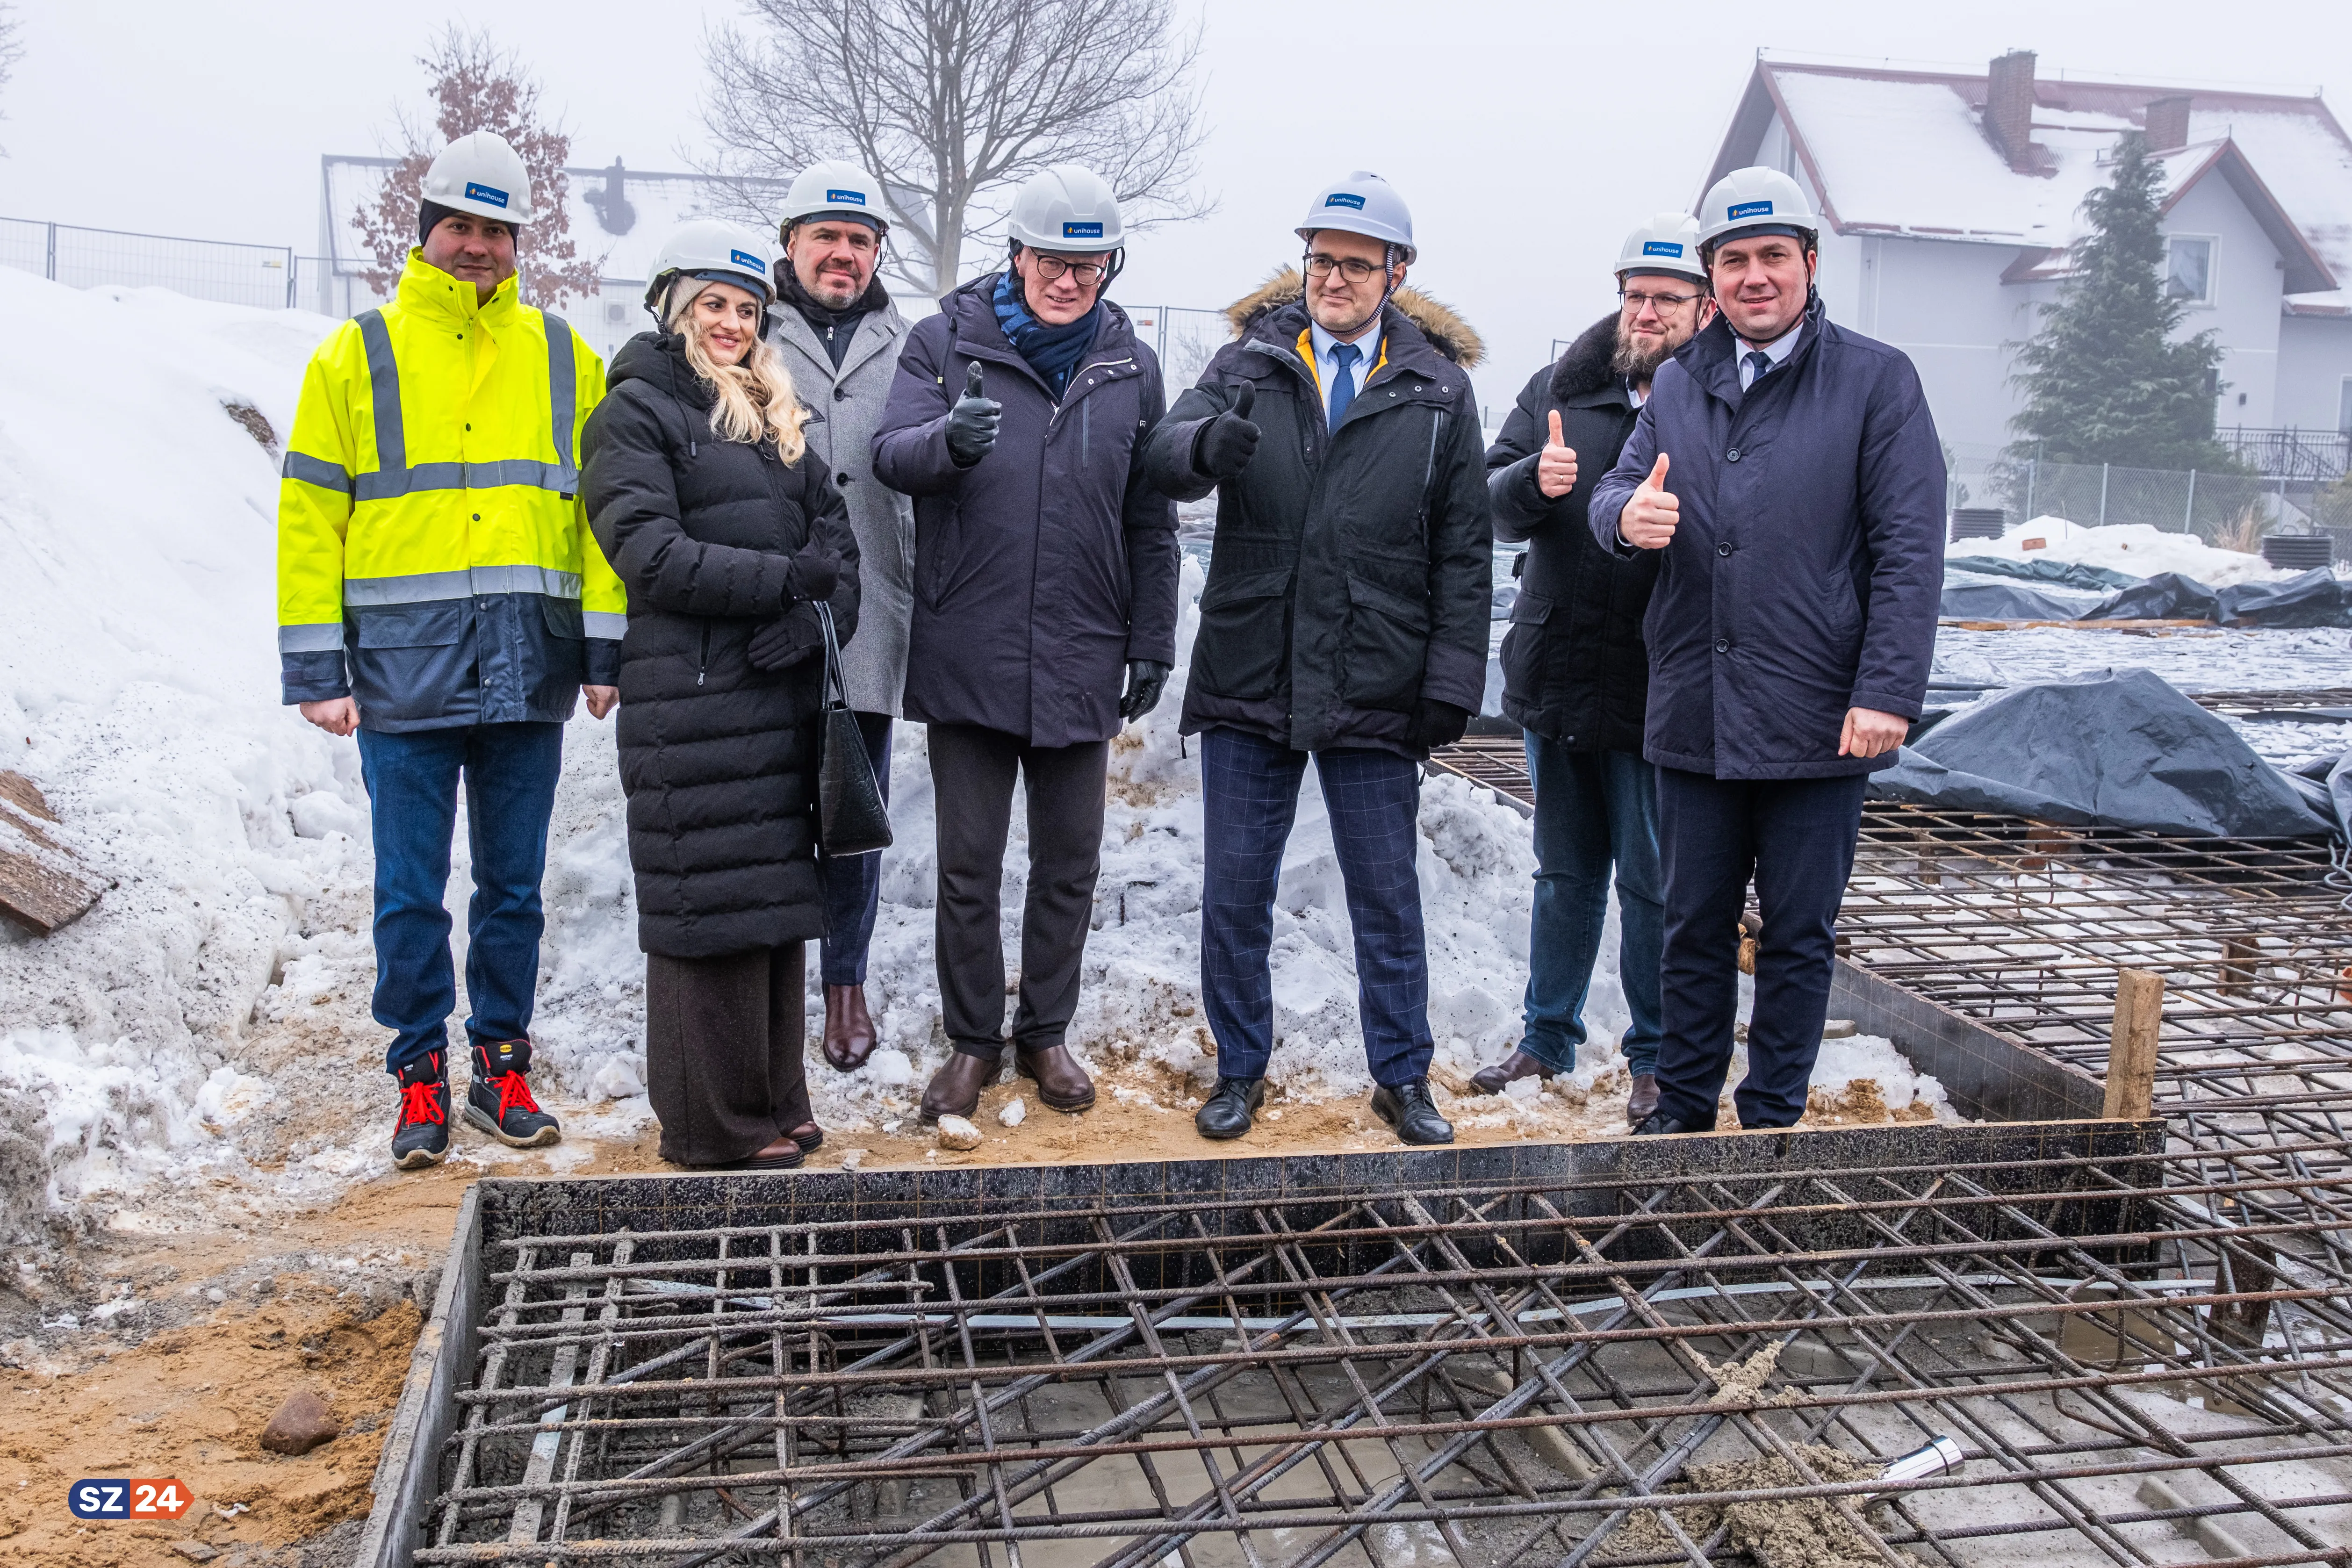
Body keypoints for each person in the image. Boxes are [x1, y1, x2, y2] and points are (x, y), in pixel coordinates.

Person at [277, 130, 620, 1171]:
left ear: (520, 242)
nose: (477, 247)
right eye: (460, 227)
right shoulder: (356, 353)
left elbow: (600, 521)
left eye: (495, 231)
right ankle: (418, 1075)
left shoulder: (568, 357)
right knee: (409, 891)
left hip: (529, 666)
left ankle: (501, 1066)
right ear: (427, 231)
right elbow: (308, 517)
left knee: (514, 889)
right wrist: (315, 670)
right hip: (401, 671)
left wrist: (604, 652)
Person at [1588, 167, 1942, 1135]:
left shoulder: (1875, 382)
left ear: (1808, 265)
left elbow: (1910, 549)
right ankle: (1681, 1112)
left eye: (1771, 257)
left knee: (1796, 933)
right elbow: (1614, 492)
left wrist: (1886, 693)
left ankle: (1773, 1114)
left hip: (1820, 712)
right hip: (1696, 706)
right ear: (1713, 278)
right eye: (1734, 260)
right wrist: (1630, 515)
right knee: (1690, 926)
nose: (1754, 277)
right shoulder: (1678, 385)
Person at [1140, 172, 1491, 1147]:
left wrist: (1453, 677)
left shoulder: (1436, 391)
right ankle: (1241, 1071)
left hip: (1377, 674)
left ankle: (1403, 1076)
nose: (1332, 278)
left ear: (1397, 273)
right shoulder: (1249, 361)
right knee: (1236, 888)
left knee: (1385, 892)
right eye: (1319, 259)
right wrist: (1207, 442)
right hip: (1254, 665)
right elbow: (1163, 453)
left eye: (1354, 263)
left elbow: (1465, 545)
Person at [871, 165, 1179, 1124]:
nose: (1069, 281)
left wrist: (1152, 638)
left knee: (1069, 864)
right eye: (1053, 260)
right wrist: (947, 446)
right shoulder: (943, 343)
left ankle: (1045, 1033)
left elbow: (1151, 515)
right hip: (972, 642)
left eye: (1089, 266)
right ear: (1016, 254)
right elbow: (890, 453)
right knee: (968, 865)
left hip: (1085, 642)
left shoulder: (1131, 367)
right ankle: (972, 1044)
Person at [581, 221, 861, 1171]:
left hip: (772, 697)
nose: (733, 322)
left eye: (747, 309)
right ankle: (712, 1126)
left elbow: (837, 550)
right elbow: (649, 555)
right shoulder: (636, 412)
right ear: (676, 309)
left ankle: (776, 1100)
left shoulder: (771, 416)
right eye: (715, 305)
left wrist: (822, 618)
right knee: (709, 918)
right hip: (692, 702)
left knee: (775, 911)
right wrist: (787, 586)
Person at [1473, 215, 1714, 1127]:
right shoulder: (1560, 390)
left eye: (1665, 299)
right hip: (1558, 670)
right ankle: (1545, 1039)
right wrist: (1536, 479)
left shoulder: (1713, 405)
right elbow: (1487, 502)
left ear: (1703, 308)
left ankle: (1654, 1059)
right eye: (1633, 295)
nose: (1645, 312)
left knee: (1654, 884)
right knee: (1563, 873)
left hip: (1660, 687)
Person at [765, 161, 914, 1073]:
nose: (843, 255)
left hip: (872, 612)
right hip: (768, 610)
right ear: (791, 244)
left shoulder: (913, 343)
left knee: (853, 811)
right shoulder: (746, 326)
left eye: (860, 241)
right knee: (771, 810)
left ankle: (846, 984)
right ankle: (778, 979)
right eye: (826, 237)